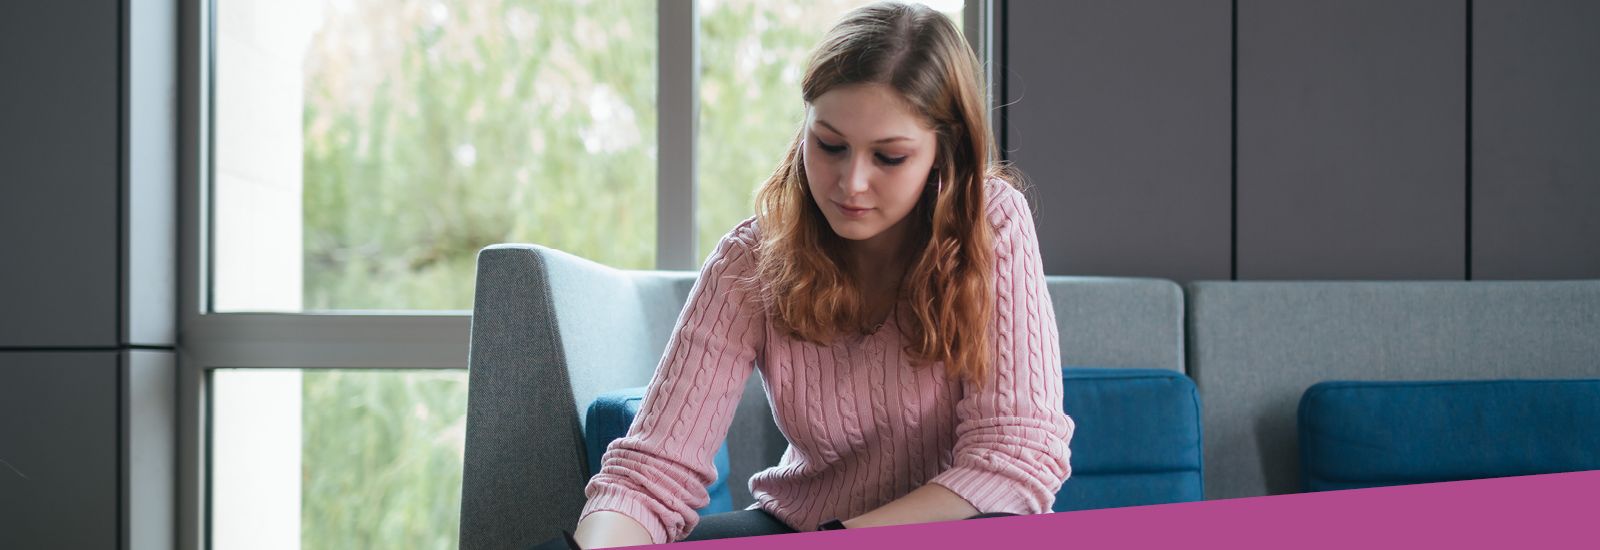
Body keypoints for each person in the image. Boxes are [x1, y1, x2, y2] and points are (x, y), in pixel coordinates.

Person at [571, 2, 1073, 547]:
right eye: (830, 145)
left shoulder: (991, 222)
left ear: (942, 153)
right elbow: (650, 472)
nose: (850, 183)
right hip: (801, 523)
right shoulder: (751, 256)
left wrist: (840, 537)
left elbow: (1016, 461)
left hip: (954, 527)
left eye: (889, 157)